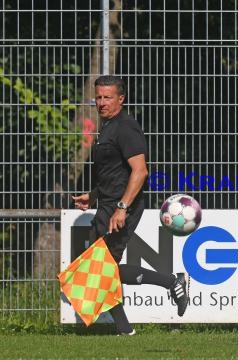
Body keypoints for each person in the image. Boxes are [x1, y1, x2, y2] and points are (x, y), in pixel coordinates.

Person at [72, 75, 189, 335]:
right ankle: (164, 289)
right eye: (98, 97)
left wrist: (122, 208)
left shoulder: (126, 127)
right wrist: (92, 196)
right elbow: (115, 173)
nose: (101, 103)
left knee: (100, 268)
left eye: (108, 97)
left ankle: (169, 284)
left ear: (121, 99)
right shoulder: (107, 127)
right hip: (108, 204)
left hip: (121, 208)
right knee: (103, 269)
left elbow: (140, 171)